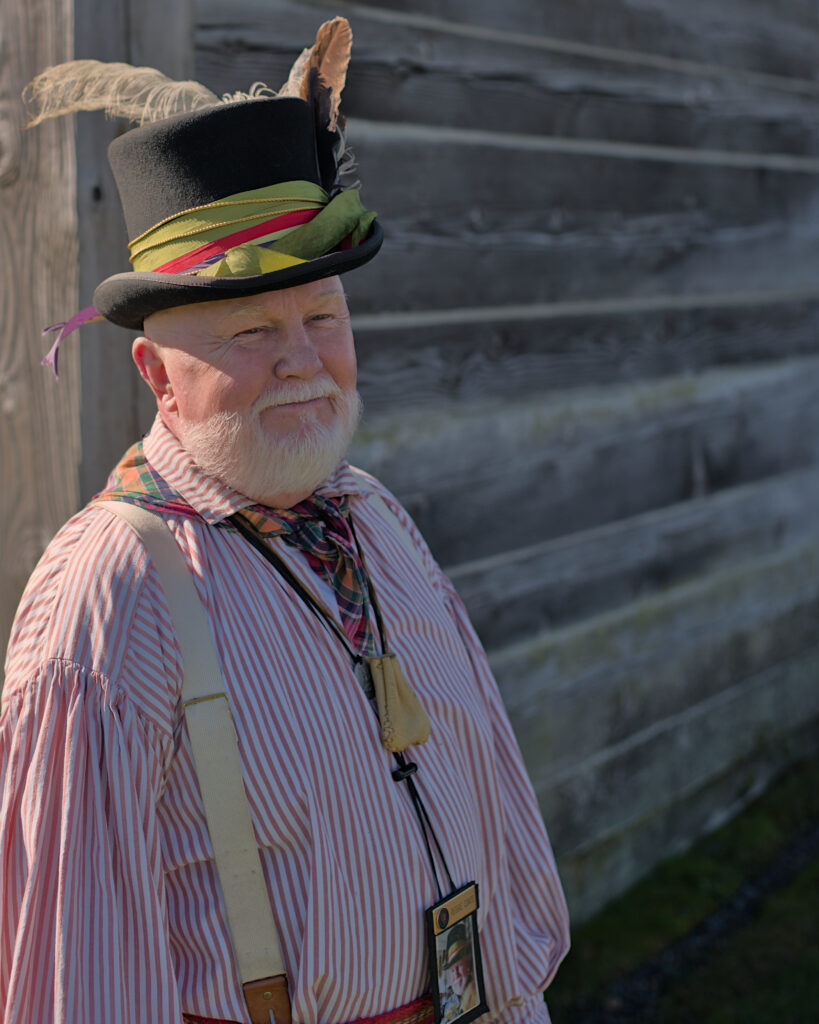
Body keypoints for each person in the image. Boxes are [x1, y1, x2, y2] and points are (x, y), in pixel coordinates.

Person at [0, 20, 569, 1024]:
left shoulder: (375, 518)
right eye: (253, 331)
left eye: (323, 318)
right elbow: (69, 983)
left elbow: (492, 813)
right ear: (157, 375)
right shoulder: (110, 595)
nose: (302, 359)